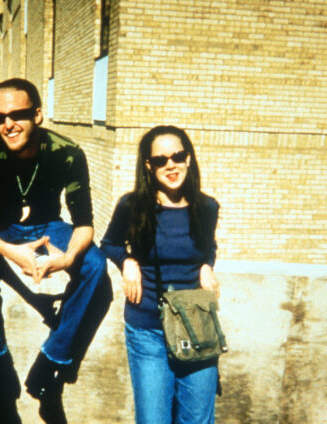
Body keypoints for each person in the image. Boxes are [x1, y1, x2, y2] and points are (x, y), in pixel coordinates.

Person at [0, 77, 112, 423]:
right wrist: (12, 251)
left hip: (47, 226)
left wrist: (67, 258)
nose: (7, 124)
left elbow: (85, 223)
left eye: (18, 114)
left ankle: (51, 361)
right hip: (1, 227)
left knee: (95, 266)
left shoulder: (66, 153)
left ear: (37, 114)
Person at [100, 125, 221, 424]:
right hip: (148, 329)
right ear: (148, 166)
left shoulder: (207, 207)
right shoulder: (133, 206)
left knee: (197, 421)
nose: (171, 165)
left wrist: (207, 264)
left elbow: (209, 247)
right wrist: (127, 260)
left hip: (196, 327)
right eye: (160, 160)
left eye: (178, 156)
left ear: (189, 159)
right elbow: (109, 244)